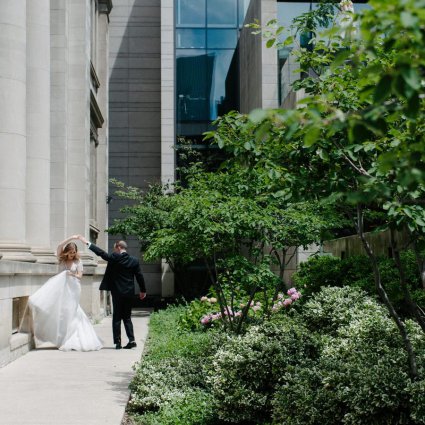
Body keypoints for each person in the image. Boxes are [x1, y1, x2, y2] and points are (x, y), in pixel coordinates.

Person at [28, 235, 103, 351]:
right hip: (61, 289)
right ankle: (62, 338)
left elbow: (80, 276)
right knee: (62, 313)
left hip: (73, 289)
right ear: (67, 251)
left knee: (72, 311)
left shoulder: (78, 261)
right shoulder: (61, 259)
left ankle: (72, 338)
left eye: (74, 252)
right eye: (71, 252)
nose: (72, 254)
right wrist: (71, 238)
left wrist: (71, 274)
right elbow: (59, 246)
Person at [78, 236, 146, 349]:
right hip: (129, 292)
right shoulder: (134, 260)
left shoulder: (115, 258)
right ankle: (132, 340)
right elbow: (139, 276)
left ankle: (118, 342)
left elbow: (101, 253)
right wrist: (143, 290)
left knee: (117, 317)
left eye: (115, 248)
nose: (114, 250)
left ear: (119, 247)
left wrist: (88, 243)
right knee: (127, 317)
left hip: (117, 292)